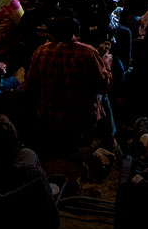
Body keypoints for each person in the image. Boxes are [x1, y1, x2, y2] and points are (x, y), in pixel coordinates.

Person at [25, 14, 111, 150]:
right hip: (80, 123)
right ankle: (110, 138)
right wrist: (107, 64)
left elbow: (30, 85)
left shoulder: (40, 51)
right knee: (104, 98)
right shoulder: (88, 52)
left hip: (48, 120)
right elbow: (104, 86)